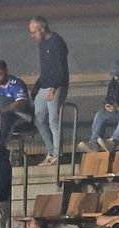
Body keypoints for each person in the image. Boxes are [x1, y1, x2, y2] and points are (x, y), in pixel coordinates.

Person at [29, 17, 70, 165]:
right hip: (44, 85)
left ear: (41, 29)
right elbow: (45, 69)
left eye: (34, 32)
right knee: (38, 117)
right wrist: (38, 86)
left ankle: (58, 153)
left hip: (57, 85)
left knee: (53, 119)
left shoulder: (57, 42)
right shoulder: (41, 44)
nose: (32, 35)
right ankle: (51, 149)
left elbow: (60, 68)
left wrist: (54, 87)